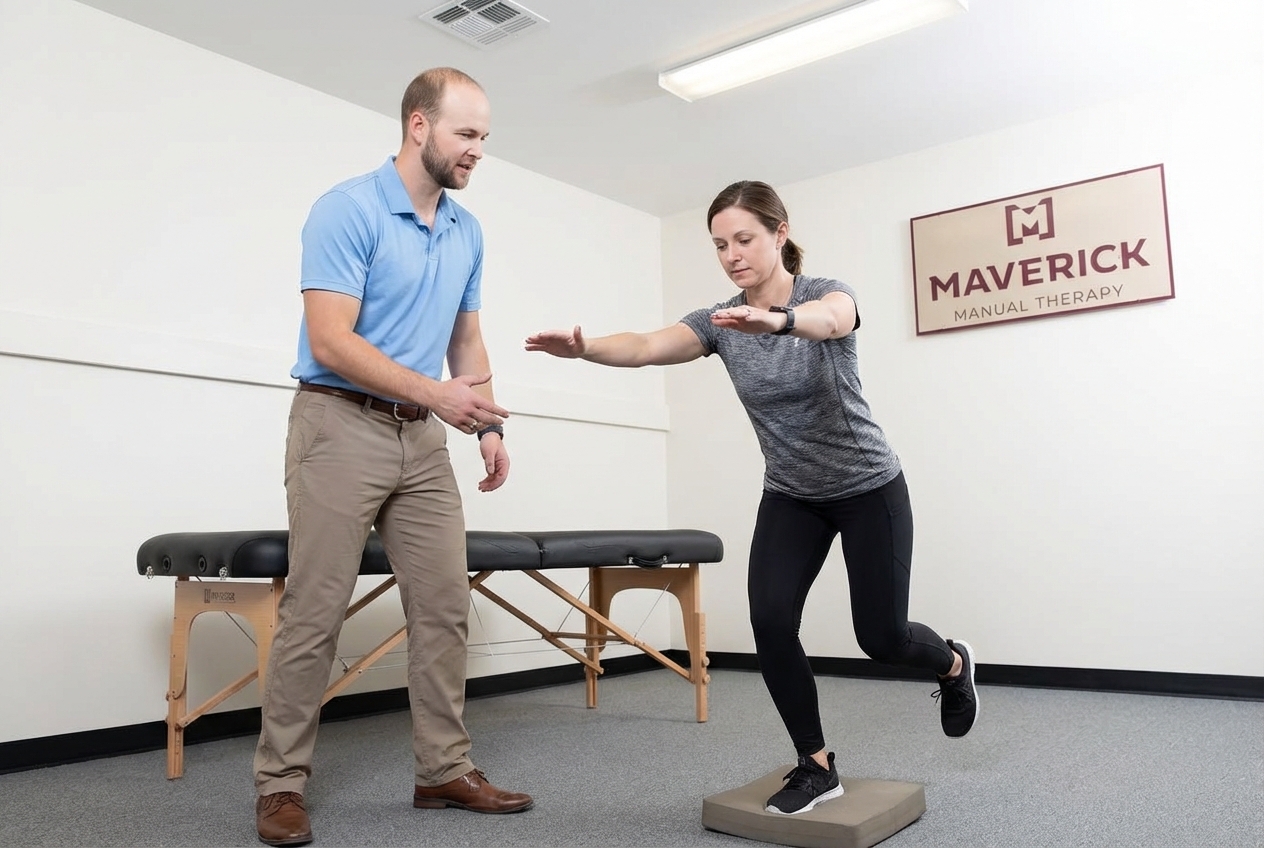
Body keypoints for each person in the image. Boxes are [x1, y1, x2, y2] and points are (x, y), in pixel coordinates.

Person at [525, 180, 978, 817]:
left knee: (881, 637)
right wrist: (586, 349)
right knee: (770, 622)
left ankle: (952, 665)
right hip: (792, 494)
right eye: (720, 245)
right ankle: (816, 765)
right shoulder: (721, 321)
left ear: (779, 233)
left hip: (867, 488)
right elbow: (648, 345)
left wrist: (782, 320)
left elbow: (834, 319)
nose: (732, 255)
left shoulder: (823, 293)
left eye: (743, 239)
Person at [253, 67, 532, 848]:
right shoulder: (348, 209)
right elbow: (330, 340)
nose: (477, 150)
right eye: (466, 133)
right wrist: (438, 395)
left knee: (444, 605)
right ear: (418, 125)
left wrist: (485, 425)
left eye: (484, 137)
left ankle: (443, 769)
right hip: (338, 424)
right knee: (315, 611)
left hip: (424, 437)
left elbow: (466, 340)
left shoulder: (467, 231)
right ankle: (280, 784)